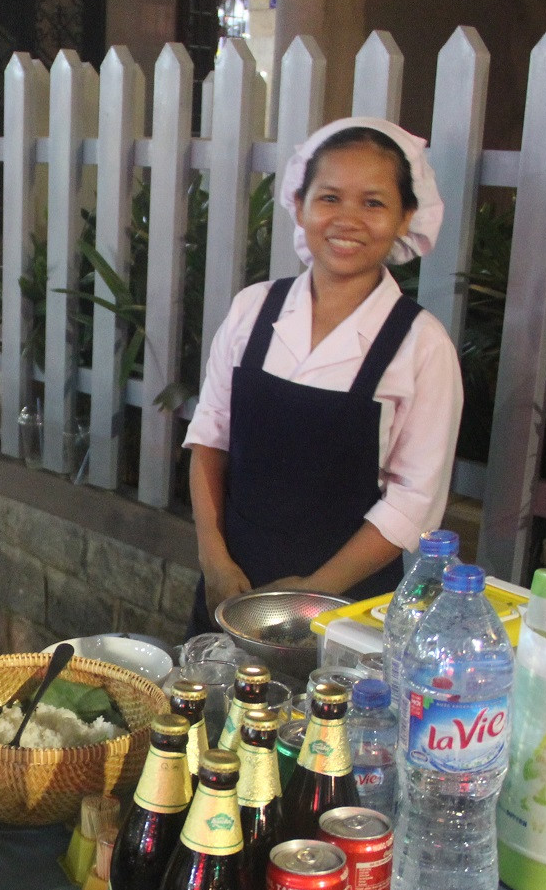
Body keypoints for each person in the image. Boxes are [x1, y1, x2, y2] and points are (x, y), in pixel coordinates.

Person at [184, 118, 463, 635]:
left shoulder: (422, 347)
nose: (348, 219)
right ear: (300, 204)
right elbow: (209, 439)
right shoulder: (253, 311)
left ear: (407, 217)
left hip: (344, 607)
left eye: (374, 203)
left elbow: (412, 504)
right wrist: (213, 560)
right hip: (230, 587)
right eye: (330, 197)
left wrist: (308, 598)